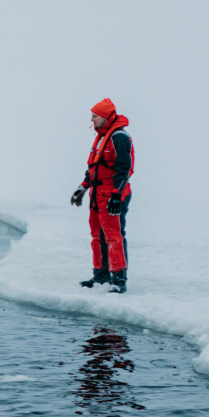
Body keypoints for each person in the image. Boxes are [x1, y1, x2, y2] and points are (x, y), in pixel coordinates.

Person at [71, 98, 134, 292]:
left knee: (114, 236)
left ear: (105, 117)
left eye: (95, 116)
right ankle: (100, 276)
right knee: (97, 235)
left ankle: (119, 280)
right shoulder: (100, 136)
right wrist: (83, 187)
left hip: (112, 194)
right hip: (97, 194)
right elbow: (94, 167)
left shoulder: (119, 137)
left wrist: (116, 195)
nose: (92, 119)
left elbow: (125, 169)